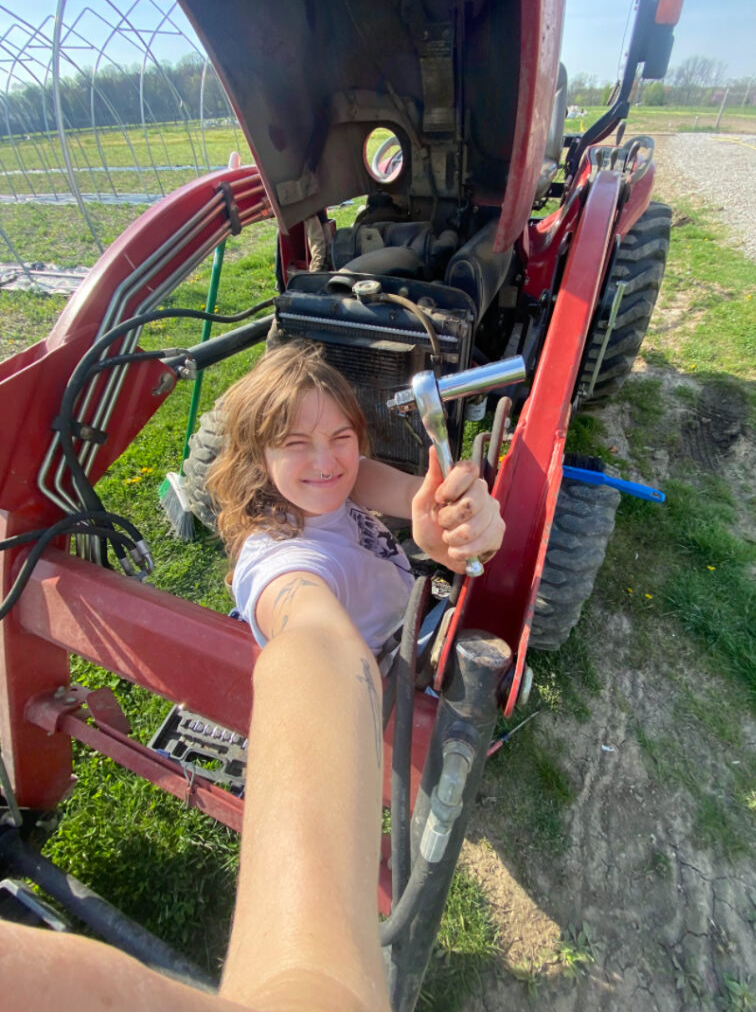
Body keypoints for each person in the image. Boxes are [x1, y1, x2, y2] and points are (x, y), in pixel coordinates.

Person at [0, 341, 504, 1012]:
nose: (325, 461)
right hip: (387, 660)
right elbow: (314, 643)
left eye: (340, 436)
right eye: (296, 443)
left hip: (403, 619)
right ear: (259, 458)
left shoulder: (336, 479)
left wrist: (456, 522)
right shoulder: (276, 560)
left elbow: (407, 493)